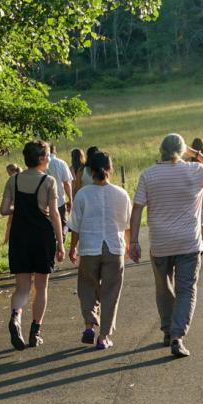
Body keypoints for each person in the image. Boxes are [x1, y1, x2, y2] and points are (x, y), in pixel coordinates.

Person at [129, 133, 203, 358]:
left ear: (160, 150)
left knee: (163, 288)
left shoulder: (148, 175)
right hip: (188, 243)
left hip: (160, 243)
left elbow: (137, 209)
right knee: (186, 290)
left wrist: (133, 240)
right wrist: (197, 154)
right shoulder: (195, 170)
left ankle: (167, 329)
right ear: (182, 151)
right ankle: (177, 336)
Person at [1, 141, 65, 350]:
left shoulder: (14, 180)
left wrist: (20, 210)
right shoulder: (49, 181)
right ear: (40, 159)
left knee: (22, 287)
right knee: (41, 286)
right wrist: (61, 243)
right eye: (47, 155)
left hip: (20, 237)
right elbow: (54, 214)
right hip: (41, 237)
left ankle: (16, 317)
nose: (49, 159)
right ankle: (35, 331)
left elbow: (3, 210)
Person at [67, 150, 131, 350]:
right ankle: (103, 337)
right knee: (111, 292)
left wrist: (72, 248)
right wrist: (129, 245)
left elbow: (75, 226)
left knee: (87, 286)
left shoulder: (83, 195)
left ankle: (88, 325)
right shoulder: (121, 193)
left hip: (90, 248)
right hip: (114, 247)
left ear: (89, 170)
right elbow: (126, 224)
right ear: (110, 169)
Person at [45, 142, 74, 231]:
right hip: (59, 200)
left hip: (44, 202)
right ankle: (60, 241)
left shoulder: (40, 163)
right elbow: (67, 183)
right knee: (63, 224)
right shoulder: (61, 163)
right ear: (55, 151)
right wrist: (70, 199)